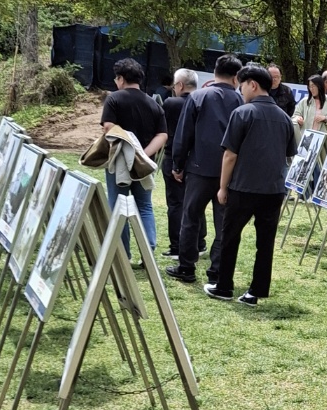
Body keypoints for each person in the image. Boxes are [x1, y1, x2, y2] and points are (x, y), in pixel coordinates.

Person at [204, 64, 296, 306]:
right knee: (265, 243)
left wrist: (222, 187)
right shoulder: (284, 118)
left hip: (243, 188)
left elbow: (229, 155)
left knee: (229, 237)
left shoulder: (242, 113)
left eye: (242, 85)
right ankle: (256, 292)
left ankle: (223, 286)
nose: (240, 90)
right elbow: (288, 154)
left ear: (252, 84)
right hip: (274, 190)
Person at [167, 54, 243, 285]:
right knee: (224, 225)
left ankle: (186, 267)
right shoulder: (241, 102)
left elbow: (183, 134)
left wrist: (178, 164)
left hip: (199, 169)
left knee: (190, 218)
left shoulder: (198, 96)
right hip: (229, 173)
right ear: (236, 77)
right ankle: (217, 271)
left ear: (215, 72)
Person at [100, 57, 167, 257]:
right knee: (144, 206)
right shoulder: (154, 104)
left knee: (118, 206)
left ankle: (123, 253)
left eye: (116, 78)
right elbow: (162, 135)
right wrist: (142, 154)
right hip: (144, 165)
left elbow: (108, 127)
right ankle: (149, 251)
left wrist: (130, 150)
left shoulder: (114, 99)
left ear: (121, 78)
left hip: (119, 162)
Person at [160, 68, 202, 259]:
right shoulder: (203, 101)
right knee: (196, 202)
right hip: (197, 158)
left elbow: (165, 128)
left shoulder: (172, 103)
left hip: (174, 156)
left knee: (176, 203)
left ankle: (177, 245)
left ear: (180, 85)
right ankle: (200, 242)